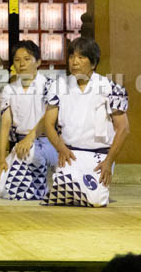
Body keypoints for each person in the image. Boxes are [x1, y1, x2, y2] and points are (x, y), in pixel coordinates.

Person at [42, 37, 129, 208]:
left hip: (99, 156)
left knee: (96, 201)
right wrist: (61, 148)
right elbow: (48, 124)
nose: (75, 62)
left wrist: (109, 161)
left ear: (94, 63)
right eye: (72, 57)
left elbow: (123, 129)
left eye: (81, 58)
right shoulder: (57, 85)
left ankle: (91, 189)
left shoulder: (111, 88)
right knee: (63, 194)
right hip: (69, 154)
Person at [0, 40, 57, 201]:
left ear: (38, 62)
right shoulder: (9, 89)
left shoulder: (49, 85)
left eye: (27, 59)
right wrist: (0, 160)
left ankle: (42, 186)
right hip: (21, 145)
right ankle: (37, 185)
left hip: (47, 142)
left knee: (32, 154)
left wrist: (30, 138)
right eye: (17, 60)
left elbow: (48, 117)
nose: (22, 64)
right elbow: (5, 125)